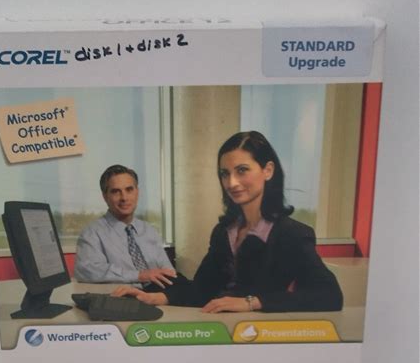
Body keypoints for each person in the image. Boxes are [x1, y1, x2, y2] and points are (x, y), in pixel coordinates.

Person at [112, 131, 343, 313]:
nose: (231, 182)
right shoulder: (224, 231)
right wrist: (155, 298)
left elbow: (330, 296)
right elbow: (202, 289)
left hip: (259, 334)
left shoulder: (292, 233)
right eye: (225, 173)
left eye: (242, 170)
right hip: (220, 327)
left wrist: (252, 302)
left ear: (268, 170)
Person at [74, 164, 176, 287]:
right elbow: (87, 271)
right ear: (105, 196)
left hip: (159, 294)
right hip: (124, 297)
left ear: (137, 192)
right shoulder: (92, 233)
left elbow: (168, 271)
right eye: (116, 191)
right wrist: (139, 275)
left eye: (129, 190)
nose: (124, 198)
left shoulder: (149, 230)